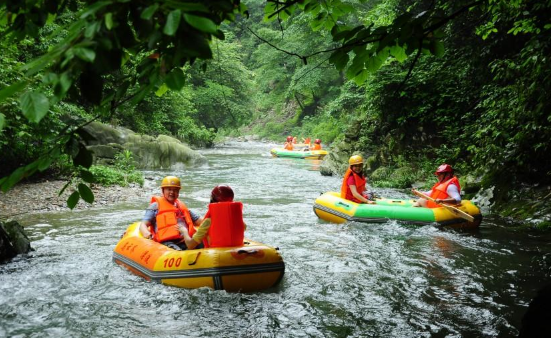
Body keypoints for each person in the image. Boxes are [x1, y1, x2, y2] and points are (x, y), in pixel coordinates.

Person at [139, 176, 203, 250]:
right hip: (167, 242)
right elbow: (143, 224)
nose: (172, 192)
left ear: (178, 192)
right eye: (169, 189)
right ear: (163, 190)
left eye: (175, 190)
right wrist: (146, 234)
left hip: (184, 240)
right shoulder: (155, 206)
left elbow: (202, 221)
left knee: (202, 244)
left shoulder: (182, 207)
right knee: (177, 251)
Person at [181, 185, 246, 249]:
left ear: (212, 201)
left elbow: (190, 245)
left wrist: (184, 231)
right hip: (237, 253)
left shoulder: (208, 222)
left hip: (215, 256)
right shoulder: (239, 221)